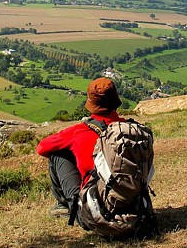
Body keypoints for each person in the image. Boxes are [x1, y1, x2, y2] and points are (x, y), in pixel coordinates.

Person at [36, 77, 125, 219]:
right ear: (115, 100)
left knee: (57, 154)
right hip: (133, 205)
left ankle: (65, 206)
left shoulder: (79, 132)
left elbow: (41, 148)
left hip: (94, 212)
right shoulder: (132, 130)